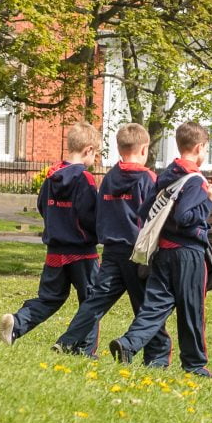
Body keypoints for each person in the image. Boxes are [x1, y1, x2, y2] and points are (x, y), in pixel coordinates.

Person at [109, 120, 212, 376]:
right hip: (187, 253)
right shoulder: (195, 181)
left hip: (162, 252)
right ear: (200, 147)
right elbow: (185, 218)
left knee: (155, 306)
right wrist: (209, 202)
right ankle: (195, 364)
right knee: (191, 309)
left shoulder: (167, 175)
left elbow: (146, 210)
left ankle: (128, 344)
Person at [63, 123, 167, 366]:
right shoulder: (148, 179)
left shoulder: (109, 178)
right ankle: (157, 357)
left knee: (96, 301)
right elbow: (155, 215)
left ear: (120, 149)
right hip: (138, 252)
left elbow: (101, 210)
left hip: (111, 249)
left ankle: (67, 340)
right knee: (146, 305)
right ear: (144, 149)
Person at [0, 124, 101, 350]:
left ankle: (17, 323)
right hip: (82, 252)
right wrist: (97, 233)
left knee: (49, 298)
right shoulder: (85, 179)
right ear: (89, 150)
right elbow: (89, 215)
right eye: (97, 154)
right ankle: (82, 348)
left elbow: (42, 206)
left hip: (55, 249)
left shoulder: (51, 177)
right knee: (92, 300)